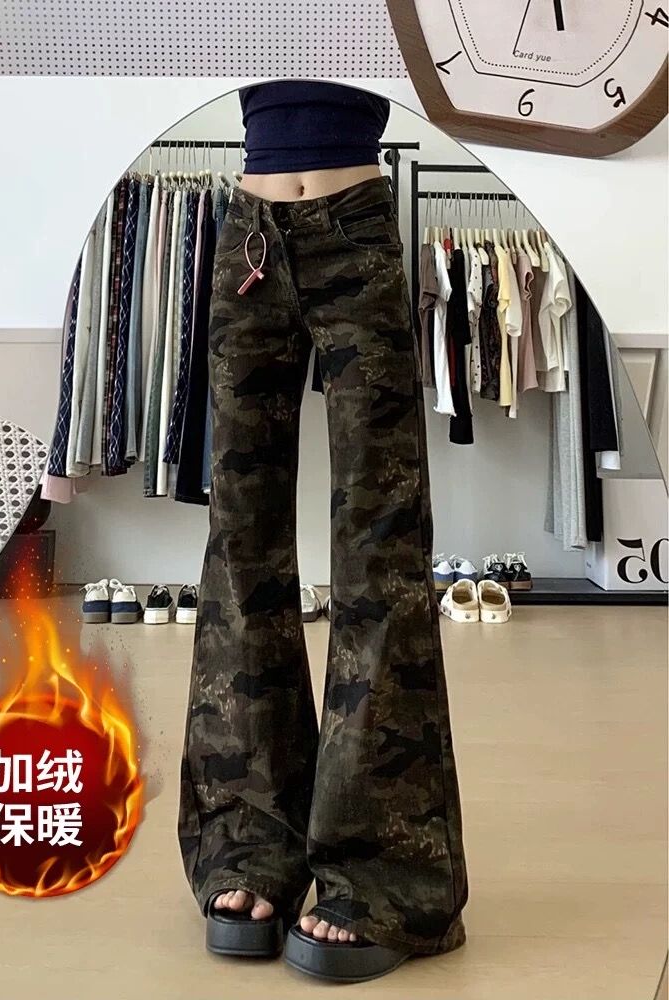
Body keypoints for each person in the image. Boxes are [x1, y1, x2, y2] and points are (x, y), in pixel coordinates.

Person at [178, 80, 468, 984]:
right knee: (240, 544)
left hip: (354, 230)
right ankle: (249, 841)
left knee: (381, 547)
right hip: (248, 236)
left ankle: (383, 871)